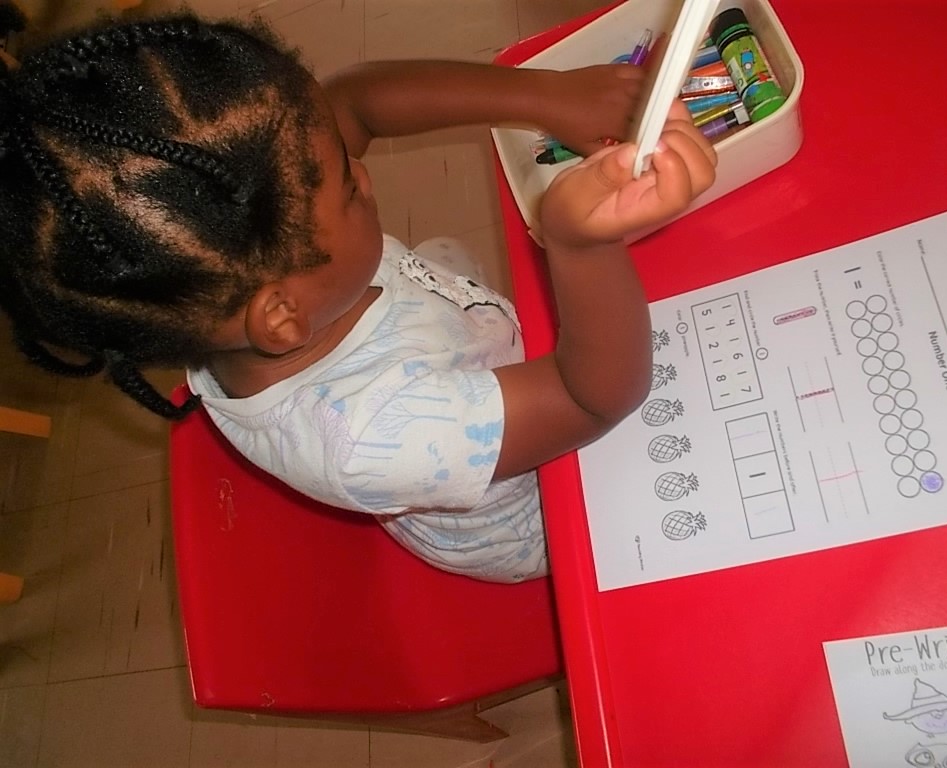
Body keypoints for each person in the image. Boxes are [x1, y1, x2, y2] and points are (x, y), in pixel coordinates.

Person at [0, 14, 717, 582]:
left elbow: (353, 102)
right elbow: (593, 398)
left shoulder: (233, 281)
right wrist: (578, 245)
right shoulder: (375, 434)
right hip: (539, 501)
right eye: (348, 187)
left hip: (470, 347)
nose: (364, 175)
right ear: (282, 316)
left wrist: (540, 95)